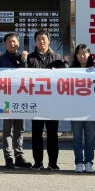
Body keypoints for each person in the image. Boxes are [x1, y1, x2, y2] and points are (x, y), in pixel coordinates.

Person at [26, 29, 67, 170]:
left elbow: (62, 79)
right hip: (36, 101)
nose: (41, 41)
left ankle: (52, 163)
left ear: (49, 41)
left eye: (43, 39)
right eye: (38, 39)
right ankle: (38, 162)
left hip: (52, 102)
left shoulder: (57, 58)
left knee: (52, 133)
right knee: (36, 133)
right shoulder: (30, 58)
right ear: (35, 42)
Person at [0, 32, 31, 170]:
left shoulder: (24, 57)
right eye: (9, 41)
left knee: (19, 129)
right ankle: (8, 157)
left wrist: (24, 60)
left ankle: (19, 156)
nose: (12, 44)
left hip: (21, 99)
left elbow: (27, 75)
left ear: (18, 43)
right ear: (5, 44)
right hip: (5, 99)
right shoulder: (1, 59)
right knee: (7, 129)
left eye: (14, 41)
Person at [70, 44, 95, 173]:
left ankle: (89, 162)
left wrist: (94, 72)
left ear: (89, 54)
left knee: (90, 138)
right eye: (79, 53)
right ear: (76, 55)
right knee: (77, 138)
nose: (82, 56)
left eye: (84, 53)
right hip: (75, 109)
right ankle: (79, 162)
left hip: (90, 109)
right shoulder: (71, 70)